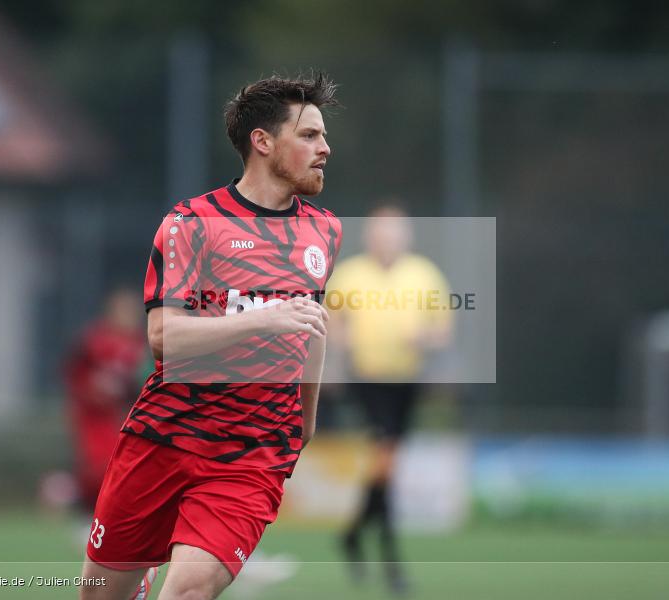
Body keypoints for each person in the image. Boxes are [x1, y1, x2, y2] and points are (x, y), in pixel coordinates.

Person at [80, 73, 342, 600]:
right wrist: (264, 318)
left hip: (252, 453)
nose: (324, 148)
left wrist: (304, 424)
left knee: (187, 591)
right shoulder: (191, 222)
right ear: (262, 142)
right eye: (309, 135)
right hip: (162, 439)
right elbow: (163, 338)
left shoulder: (325, 230)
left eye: (323, 136)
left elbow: (309, 326)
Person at [328, 202, 452, 595]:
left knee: (386, 466)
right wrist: (337, 349)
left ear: (407, 236)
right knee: (386, 459)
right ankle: (391, 560)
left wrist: (425, 339)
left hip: (408, 382)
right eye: (382, 231)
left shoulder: (424, 274)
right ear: (370, 235)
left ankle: (351, 534)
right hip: (367, 380)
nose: (388, 239)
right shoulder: (349, 275)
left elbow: (442, 332)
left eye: (395, 231)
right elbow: (329, 321)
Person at [64, 287, 147, 513]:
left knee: (122, 465)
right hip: (92, 413)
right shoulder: (93, 341)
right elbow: (73, 373)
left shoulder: (142, 344)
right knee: (99, 463)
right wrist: (90, 391)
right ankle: (74, 498)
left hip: (121, 413)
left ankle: (72, 495)